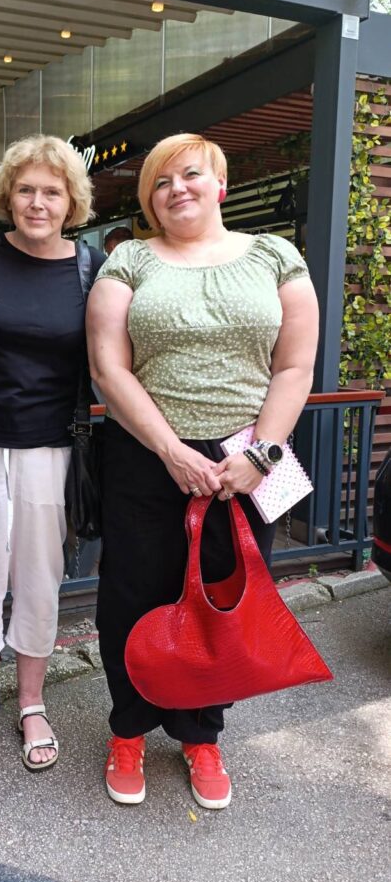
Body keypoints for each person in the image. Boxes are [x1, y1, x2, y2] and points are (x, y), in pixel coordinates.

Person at [86, 132, 318, 810]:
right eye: (160, 182)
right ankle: (128, 727)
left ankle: (200, 733)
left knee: (224, 594)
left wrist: (261, 454)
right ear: (148, 200)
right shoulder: (127, 259)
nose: (175, 189)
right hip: (144, 452)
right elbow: (108, 366)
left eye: (189, 175)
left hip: (247, 457)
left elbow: (294, 365)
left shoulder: (274, 255)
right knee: (132, 594)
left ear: (218, 185)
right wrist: (168, 448)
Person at [0, 135, 104, 777]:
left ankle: (33, 702)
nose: (37, 202)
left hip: (52, 445)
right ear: (6, 196)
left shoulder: (90, 267)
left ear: (71, 200)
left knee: (39, 577)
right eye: (25, 190)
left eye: (51, 191)